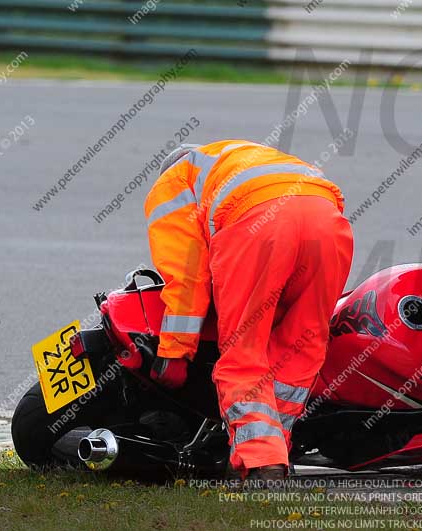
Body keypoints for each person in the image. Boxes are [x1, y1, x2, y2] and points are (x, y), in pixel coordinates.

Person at [143, 140, 353, 480]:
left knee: (243, 355)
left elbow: (187, 276)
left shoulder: (174, 182)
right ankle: (276, 451)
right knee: (302, 346)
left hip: (260, 225)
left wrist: (175, 353)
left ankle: (261, 461)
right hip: (327, 222)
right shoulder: (236, 156)